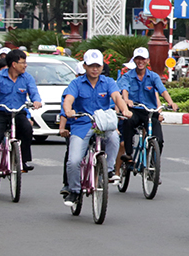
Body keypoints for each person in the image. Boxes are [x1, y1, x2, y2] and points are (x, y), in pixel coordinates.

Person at [61, 49, 131, 208]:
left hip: (102, 124)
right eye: (91, 66)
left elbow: (116, 97)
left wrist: (124, 109)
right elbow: (68, 100)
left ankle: (110, 170)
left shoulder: (108, 82)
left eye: (98, 66)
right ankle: (74, 190)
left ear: (102, 67)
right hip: (82, 125)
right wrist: (68, 110)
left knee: (114, 137)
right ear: (85, 66)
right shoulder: (76, 83)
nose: (95, 69)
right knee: (74, 161)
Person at [0, 49, 43, 183]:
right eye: (23, 62)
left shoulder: (27, 78)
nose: (25, 65)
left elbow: (34, 92)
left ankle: (23, 161)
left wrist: (37, 101)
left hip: (18, 112)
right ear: (14, 64)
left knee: (27, 128)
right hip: (1, 112)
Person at [118, 47, 176, 178]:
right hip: (135, 111)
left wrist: (171, 102)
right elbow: (124, 89)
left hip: (149, 112)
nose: (140, 61)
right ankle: (128, 153)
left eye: (143, 59)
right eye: (138, 59)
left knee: (159, 140)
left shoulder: (153, 76)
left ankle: (152, 166)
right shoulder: (128, 76)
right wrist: (126, 100)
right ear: (134, 60)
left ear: (148, 60)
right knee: (127, 122)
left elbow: (162, 90)